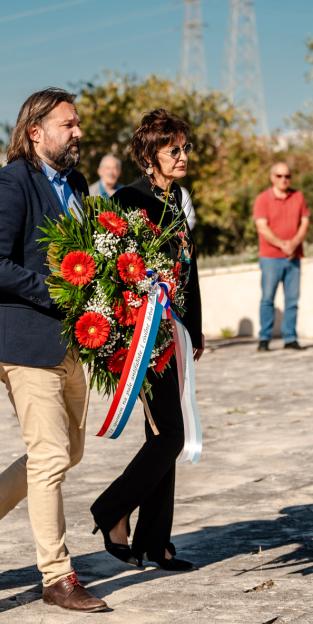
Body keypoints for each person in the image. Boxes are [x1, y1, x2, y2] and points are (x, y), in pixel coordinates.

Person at [0, 88, 108, 613]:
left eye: (77, 123)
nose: (78, 132)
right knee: (52, 455)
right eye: (68, 124)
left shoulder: (76, 184)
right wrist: (57, 290)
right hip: (24, 340)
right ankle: (57, 577)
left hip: (72, 340)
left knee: (66, 452)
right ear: (35, 132)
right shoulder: (9, 184)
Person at [90, 109, 204, 572]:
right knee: (171, 435)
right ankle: (111, 509)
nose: (182, 156)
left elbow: (189, 269)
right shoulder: (128, 200)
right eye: (173, 149)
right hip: (142, 336)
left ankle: (154, 543)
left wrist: (195, 327)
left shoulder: (177, 199)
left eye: (185, 147)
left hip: (175, 332)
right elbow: (112, 273)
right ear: (150, 155)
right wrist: (130, 332)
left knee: (163, 433)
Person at [253, 162, 310, 352]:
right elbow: (262, 227)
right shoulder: (262, 199)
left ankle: (290, 338)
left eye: (287, 176)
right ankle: (264, 338)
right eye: (279, 176)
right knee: (268, 299)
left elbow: (305, 222)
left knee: (292, 300)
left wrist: (294, 243)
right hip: (270, 257)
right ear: (272, 177)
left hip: (294, 256)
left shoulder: (298, 196)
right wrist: (283, 244)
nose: (283, 179)